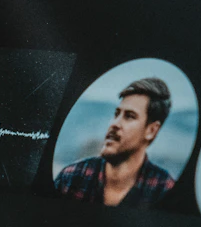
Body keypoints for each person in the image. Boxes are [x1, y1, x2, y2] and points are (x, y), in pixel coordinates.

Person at [52, 78, 176, 207]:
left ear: (151, 130)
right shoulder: (72, 178)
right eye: (116, 114)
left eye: (129, 116)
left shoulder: (164, 189)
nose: (114, 124)